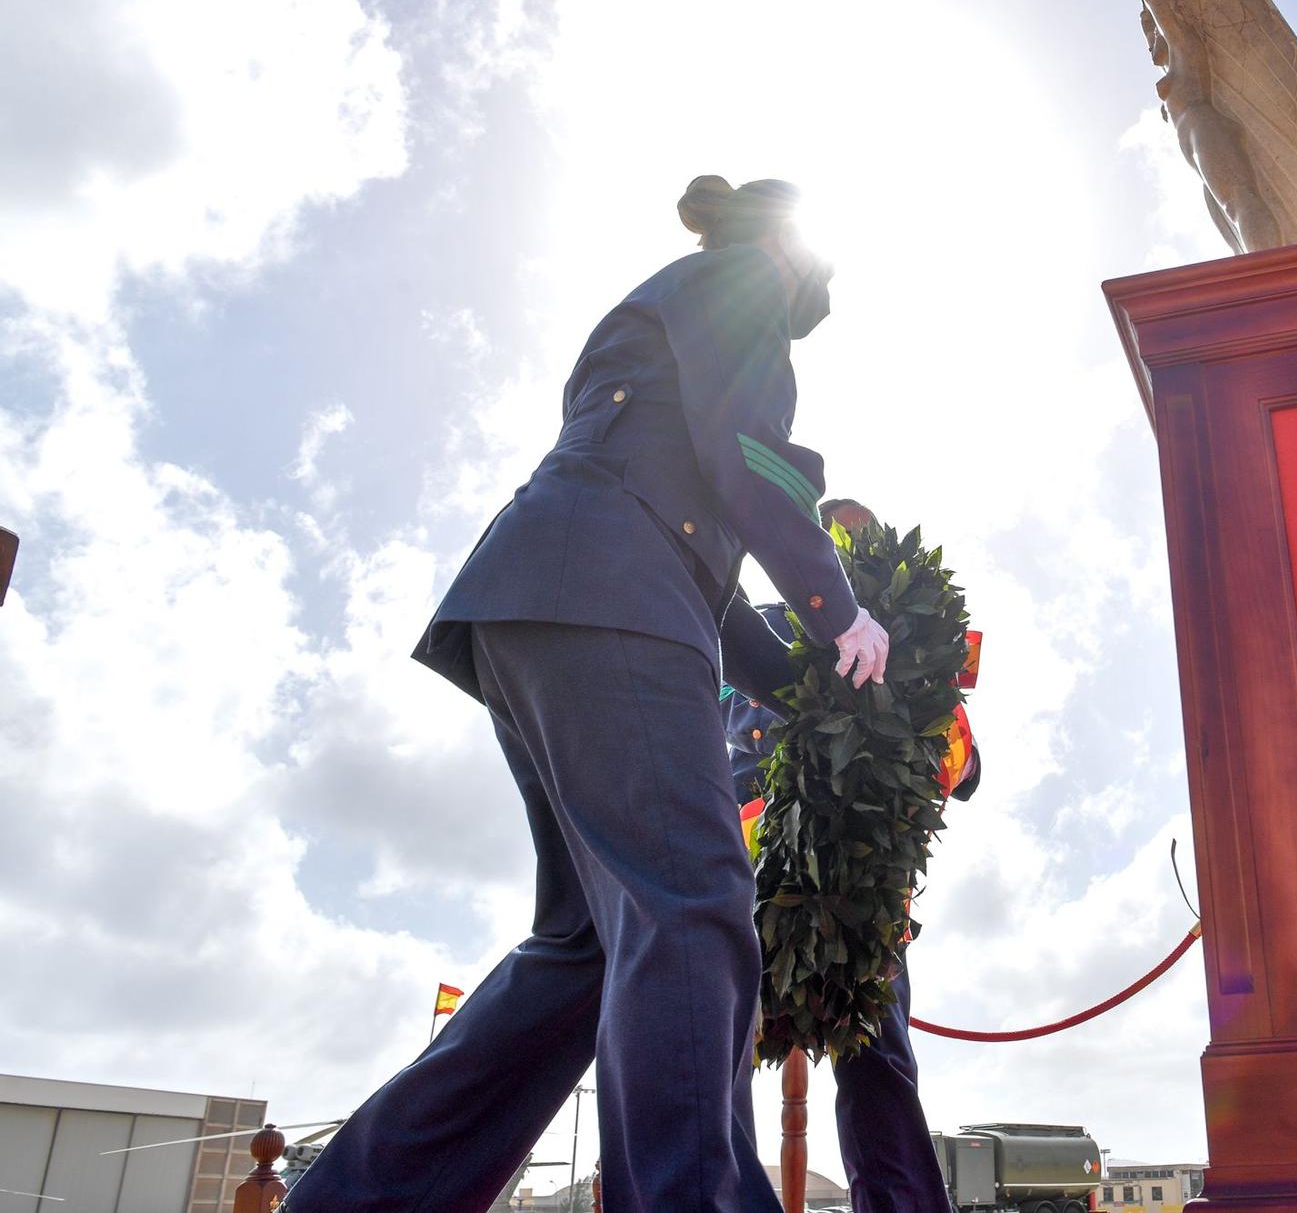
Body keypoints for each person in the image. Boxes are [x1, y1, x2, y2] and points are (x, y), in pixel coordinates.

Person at [282, 176, 890, 1213]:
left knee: (578, 958)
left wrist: (811, 681)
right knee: (693, 900)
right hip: (609, 602)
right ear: (789, 247)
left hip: (557, 597)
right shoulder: (741, 280)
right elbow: (750, 454)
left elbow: (710, 578)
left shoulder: (691, 298)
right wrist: (840, 607)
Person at [725, 497, 978, 1213]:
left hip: (858, 882)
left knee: (874, 1054)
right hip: (744, 867)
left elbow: (964, 766)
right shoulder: (752, 627)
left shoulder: (893, 640)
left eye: (852, 542)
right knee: (723, 1044)